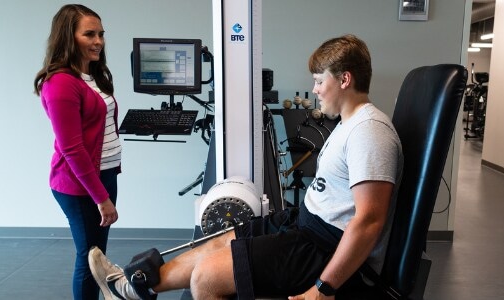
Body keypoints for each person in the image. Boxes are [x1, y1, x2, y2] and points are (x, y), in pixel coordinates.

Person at [88, 34, 402, 300]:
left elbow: (369, 221)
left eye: (320, 81)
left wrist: (324, 286)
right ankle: (130, 289)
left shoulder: (369, 131)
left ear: (345, 79)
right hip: (305, 225)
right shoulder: (350, 125)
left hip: (322, 247)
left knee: (207, 279)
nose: (316, 89)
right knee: (219, 241)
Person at [34, 4, 122, 300]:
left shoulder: (93, 75)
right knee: (90, 257)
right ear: (68, 37)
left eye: (101, 34)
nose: (98, 41)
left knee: (98, 256)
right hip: (79, 185)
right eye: (89, 34)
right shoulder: (60, 83)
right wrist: (102, 198)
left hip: (104, 176)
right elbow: (72, 149)